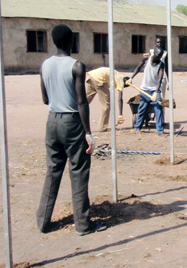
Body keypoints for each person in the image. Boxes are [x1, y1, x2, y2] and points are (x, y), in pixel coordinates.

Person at [37, 24, 106, 236]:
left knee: (53, 170)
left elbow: (45, 98)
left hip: (52, 122)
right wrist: (88, 133)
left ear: (53, 41)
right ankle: (83, 225)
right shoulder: (76, 66)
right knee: (78, 172)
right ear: (72, 41)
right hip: (72, 123)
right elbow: (81, 102)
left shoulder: (45, 65)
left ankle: (43, 221)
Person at [130, 47, 166, 136]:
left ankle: (160, 131)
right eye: (157, 55)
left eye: (160, 56)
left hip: (154, 89)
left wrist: (156, 92)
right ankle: (138, 128)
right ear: (154, 54)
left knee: (158, 108)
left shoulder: (161, 64)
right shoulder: (146, 59)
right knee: (142, 107)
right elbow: (138, 67)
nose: (158, 58)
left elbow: (160, 80)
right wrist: (131, 77)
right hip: (144, 89)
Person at [85, 67, 130, 132]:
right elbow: (120, 99)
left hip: (91, 76)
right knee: (106, 105)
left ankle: (74, 122)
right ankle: (102, 128)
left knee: (83, 102)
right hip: (100, 79)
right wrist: (120, 115)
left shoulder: (119, 75)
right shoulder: (121, 80)